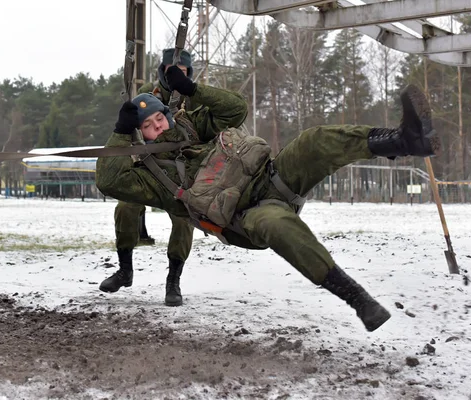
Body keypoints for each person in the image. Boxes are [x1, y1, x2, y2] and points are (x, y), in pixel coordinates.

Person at [96, 65, 439, 332]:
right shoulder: (149, 176)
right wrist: (120, 133)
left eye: (160, 118)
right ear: (139, 135)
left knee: (313, 141)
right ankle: (358, 299)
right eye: (150, 127)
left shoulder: (191, 126)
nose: (161, 128)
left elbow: (235, 109)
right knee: (277, 225)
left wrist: (193, 90)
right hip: (245, 217)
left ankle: (405, 141)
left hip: (271, 176)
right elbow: (108, 180)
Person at [99, 48, 199, 308]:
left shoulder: (195, 97)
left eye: (183, 72)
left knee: (182, 217)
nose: (176, 74)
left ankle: (173, 280)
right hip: (149, 170)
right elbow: (130, 130)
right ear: (162, 72)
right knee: (125, 207)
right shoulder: (147, 95)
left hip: (181, 175)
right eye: (170, 70)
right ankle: (125, 270)